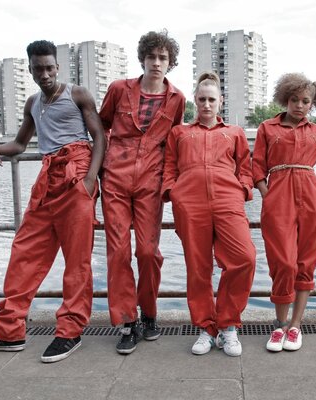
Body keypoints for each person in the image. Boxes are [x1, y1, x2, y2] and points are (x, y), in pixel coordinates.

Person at [0, 40, 106, 362]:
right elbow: (19, 143)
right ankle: (8, 331)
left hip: (76, 177)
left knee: (77, 262)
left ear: (57, 68)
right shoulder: (33, 103)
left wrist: (89, 181)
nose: (44, 73)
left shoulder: (78, 94)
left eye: (49, 67)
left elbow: (99, 136)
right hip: (47, 181)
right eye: (38, 68)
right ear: (30, 70)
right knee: (24, 254)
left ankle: (70, 332)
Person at [99, 30, 185, 354]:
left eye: (163, 58)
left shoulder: (177, 99)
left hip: (151, 182)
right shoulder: (119, 89)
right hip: (116, 182)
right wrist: (99, 170)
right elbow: (102, 125)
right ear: (143, 59)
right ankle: (127, 321)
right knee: (118, 252)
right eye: (152, 57)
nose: (157, 63)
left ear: (170, 63)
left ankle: (149, 312)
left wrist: (172, 182)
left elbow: (173, 140)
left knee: (148, 252)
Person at [162, 71, 256, 357]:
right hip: (190, 204)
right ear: (195, 100)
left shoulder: (235, 133)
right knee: (198, 266)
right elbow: (169, 167)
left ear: (220, 102)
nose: (206, 104)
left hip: (228, 201)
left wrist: (242, 190)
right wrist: (173, 192)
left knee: (244, 258)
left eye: (211, 99)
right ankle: (206, 327)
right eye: (201, 99)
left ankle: (228, 324)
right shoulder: (179, 133)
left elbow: (245, 168)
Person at [252, 73, 316, 352]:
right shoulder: (268, 127)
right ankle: (278, 326)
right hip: (279, 197)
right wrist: (268, 195)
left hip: (312, 197)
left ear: (312, 104)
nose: (299, 105)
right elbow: (256, 166)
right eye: (294, 100)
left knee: (306, 262)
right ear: (285, 99)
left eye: (306, 101)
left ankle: (296, 325)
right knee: (284, 263)